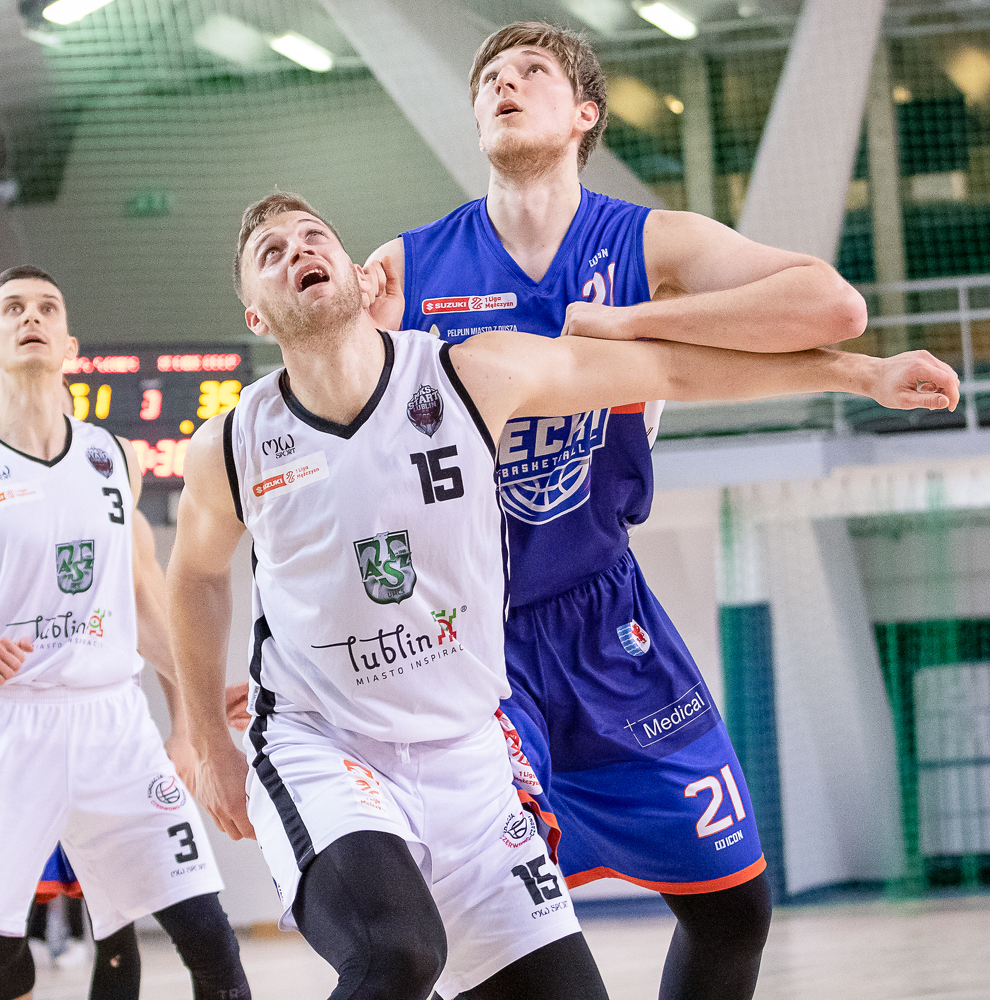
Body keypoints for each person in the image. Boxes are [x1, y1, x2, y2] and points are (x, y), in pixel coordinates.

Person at [170, 195, 955, 1000]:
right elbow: (194, 576)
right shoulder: (233, 445)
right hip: (325, 748)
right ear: (256, 315)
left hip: (467, 757)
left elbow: (671, 370)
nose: (298, 251)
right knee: (398, 956)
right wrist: (207, 741)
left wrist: (861, 373)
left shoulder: (469, 374)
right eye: (271, 253)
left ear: (354, 271)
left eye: (313, 237)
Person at [353, 22, 910, 1000]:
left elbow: (831, 307)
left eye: (530, 71)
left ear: (585, 114)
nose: (502, 84)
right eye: (488, 77)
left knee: (735, 910)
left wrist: (630, 323)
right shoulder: (407, 271)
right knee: (497, 924)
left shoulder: (644, 247)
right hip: (469, 640)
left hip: (606, 617)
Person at [0, 264, 250, 1000]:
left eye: (48, 308)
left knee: (209, 937)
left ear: (69, 343)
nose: (32, 317)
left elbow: (146, 610)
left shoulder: (113, 459)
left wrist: (197, 704)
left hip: (113, 724)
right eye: (14, 309)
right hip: (7, 727)